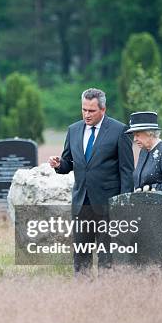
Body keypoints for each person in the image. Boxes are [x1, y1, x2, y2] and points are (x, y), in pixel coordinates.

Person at [48, 88, 134, 275]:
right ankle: (83, 290)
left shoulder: (120, 131)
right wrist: (58, 164)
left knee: (107, 255)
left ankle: (106, 292)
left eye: (91, 110)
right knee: (80, 254)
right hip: (81, 203)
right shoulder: (73, 130)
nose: (86, 114)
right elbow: (68, 163)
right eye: (84, 109)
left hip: (108, 204)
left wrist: (124, 204)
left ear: (103, 109)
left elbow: (127, 171)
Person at [125, 112, 162, 193]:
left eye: (137, 135)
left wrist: (153, 188)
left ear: (150, 134)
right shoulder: (143, 151)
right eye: (134, 135)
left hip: (161, 204)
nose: (134, 139)